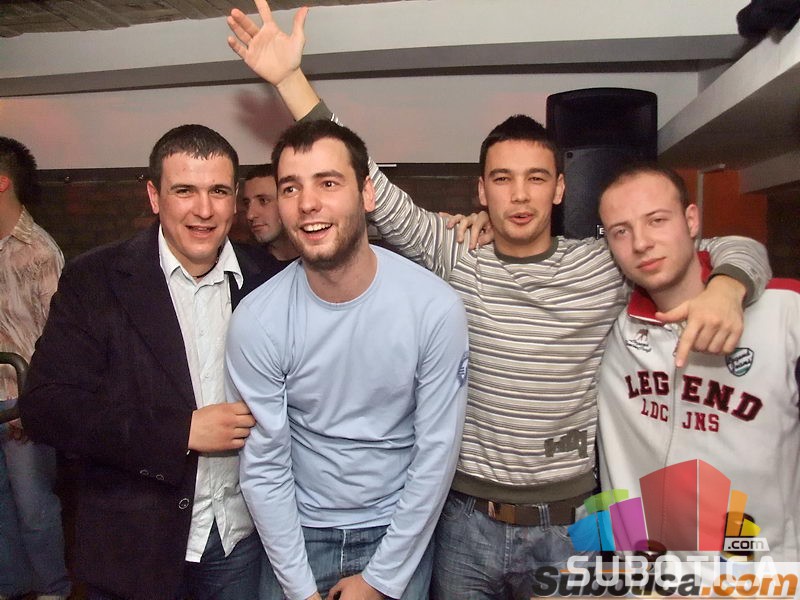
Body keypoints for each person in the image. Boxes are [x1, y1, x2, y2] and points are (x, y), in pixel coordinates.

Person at [225, 4, 771, 597]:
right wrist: (290, 80)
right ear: (481, 191)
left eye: (536, 178)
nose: (520, 195)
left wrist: (728, 285)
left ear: (559, 189)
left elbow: (720, 245)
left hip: (569, 526)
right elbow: (360, 179)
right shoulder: (454, 256)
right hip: (464, 524)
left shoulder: (603, 263)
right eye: (503, 179)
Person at [19, 124, 281, 600]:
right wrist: (180, 431)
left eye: (218, 191)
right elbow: (47, 407)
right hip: (135, 547)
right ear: (155, 196)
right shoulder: (96, 279)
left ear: (234, 200)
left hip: (243, 541)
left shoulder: (268, 279)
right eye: (184, 191)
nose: (204, 209)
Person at [225, 119, 469, 600]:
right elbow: (264, 467)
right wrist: (299, 589)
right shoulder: (257, 320)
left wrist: (382, 578)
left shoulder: (433, 308)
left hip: (397, 529)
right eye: (290, 188)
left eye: (328, 183)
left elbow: (436, 453)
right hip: (296, 533)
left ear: (367, 194)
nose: (307, 203)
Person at [595, 164, 800, 564]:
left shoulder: (785, 313)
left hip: (759, 575)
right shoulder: (610, 323)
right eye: (621, 231)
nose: (641, 243)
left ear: (691, 220)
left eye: (656, 220)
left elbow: (738, 248)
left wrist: (728, 287)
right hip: (645, 576)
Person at [0, 136, 70, 600]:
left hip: (22, 400)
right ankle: (10, 584)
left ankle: (52, 589)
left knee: (33, 507)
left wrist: (36, 404)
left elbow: (60, 341)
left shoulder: (39, 251)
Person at [242, 163, 299, 264]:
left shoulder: (319, 263)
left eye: (263, 201)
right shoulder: (245, 265)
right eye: (247, 204)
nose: (250, 215)